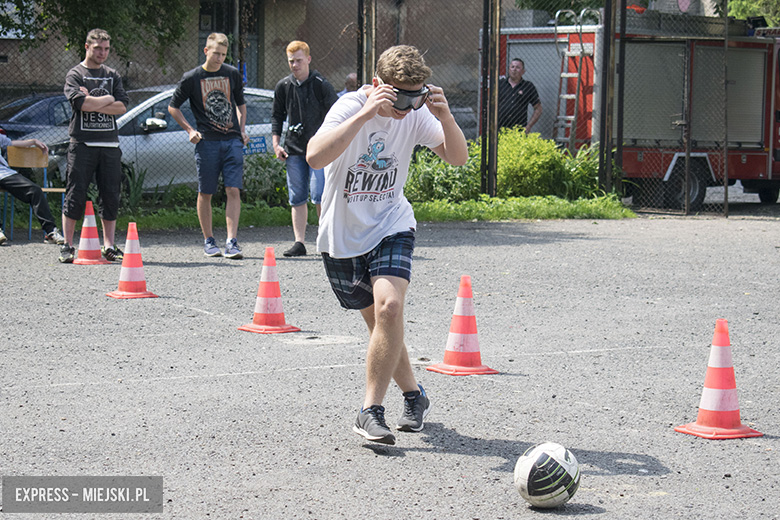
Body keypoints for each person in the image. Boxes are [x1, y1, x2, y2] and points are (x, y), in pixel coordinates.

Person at [307, 45, 468, 445]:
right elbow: (313, 156)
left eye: (418, 96)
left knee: (390, 307)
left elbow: (458, 158)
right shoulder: (349, 107)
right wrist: (365, 112)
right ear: (379, 85)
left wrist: (443, 115)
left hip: (391, 223)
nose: (409, 106)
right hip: (341, 236)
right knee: (382, 325)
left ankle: (370, 411)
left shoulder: (416, 116)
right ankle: (415, 396)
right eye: (401, 96)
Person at [169, 32, 250, 259]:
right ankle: (209, 240)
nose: (220, 59)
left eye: (223, 55)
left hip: (232, 140)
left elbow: (241, 106)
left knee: (233, 189)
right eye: (216, 54)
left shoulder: (232, 74)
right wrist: (190, 130)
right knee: (206, 192)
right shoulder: (192, 78)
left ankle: (232, 241)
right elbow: (173, 107)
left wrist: (242, 130)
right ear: (206, 51)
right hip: (207, 142)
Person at [60, 28, 129, 264]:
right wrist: (107, 99)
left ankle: (109, 246)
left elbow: (122, 106)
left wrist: (97, 102)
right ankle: (68, 245)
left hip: (109, 144)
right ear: (87, 47)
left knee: (110, 195)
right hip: (82, 144)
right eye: (98, 48)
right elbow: (80, 104)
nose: (102, 53)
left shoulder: (112, 75)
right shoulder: (75, 74)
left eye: (106, 49)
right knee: (75, 194)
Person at [271, 40, 338, 257]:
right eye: (291, 61)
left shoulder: (321, 84)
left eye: (299, 60)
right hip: (293, 149)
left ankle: (325, 239)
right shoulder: (283, 86)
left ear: (308, 59)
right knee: (297, 196)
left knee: (319, 194)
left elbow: (337, 113)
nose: (295, 65)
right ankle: (299, 242)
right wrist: (276, 144)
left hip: (318, 149)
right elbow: (277, 116)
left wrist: (331, 142)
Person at [0, 136, 65, 245]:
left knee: (35, 190)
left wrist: (33, 142)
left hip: (4, 173)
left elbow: (12, 143)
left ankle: (50, 232)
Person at [497, 57, 542, 134]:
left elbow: (538, 108)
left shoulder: (528, 86)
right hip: (499, 129)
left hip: (519, 130)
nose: (514, 69)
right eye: (512, 67)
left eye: (518, 67)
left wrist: (528, 127)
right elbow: (490, 105)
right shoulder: (499, 84)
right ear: (508, 69)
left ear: (523, 71)